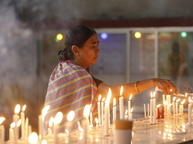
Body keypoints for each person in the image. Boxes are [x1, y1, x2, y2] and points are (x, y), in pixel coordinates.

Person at [44, 25, 177, 133]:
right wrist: (151, 82)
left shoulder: (77, 71)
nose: (98, 50)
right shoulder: (74, 74)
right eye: (92, 46)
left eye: (97, 45)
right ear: (76, 50)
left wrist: (152, 82)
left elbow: (110, 92)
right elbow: (112, 93)